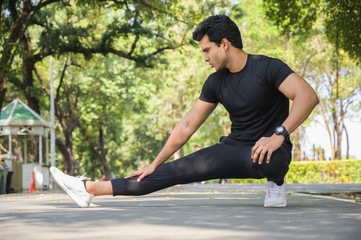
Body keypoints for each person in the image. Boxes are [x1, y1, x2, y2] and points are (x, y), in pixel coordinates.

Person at [50, 15, 319, 208]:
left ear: (224, 43)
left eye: (206, 50)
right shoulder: (215, 82)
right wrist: (155, 163)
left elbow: (307, 96)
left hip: (271, 152)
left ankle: (276, 183)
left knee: (271, 159)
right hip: (234, 148)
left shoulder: (267, 67)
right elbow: (187, 126)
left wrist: (279, 134)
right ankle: (90, 188)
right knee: (172, 170)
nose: (204, 57)